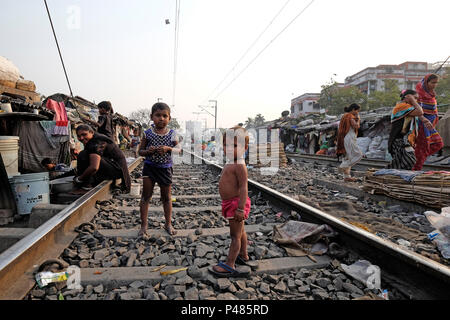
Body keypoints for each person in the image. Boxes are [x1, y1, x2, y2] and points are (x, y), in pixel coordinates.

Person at [210, 126, 251, 277]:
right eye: (226, 145)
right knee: (241, 231)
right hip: (231, 203)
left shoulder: (240, 165)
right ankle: (243, 255)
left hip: (236, 204)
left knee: (235, 236)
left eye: (234, 146)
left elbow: (243, 188)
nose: (229, 149)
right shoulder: (231, 161)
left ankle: (230, 264)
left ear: (245, 147)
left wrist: (240, 209)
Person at [138, 103, 180, 237]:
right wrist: (147, 151)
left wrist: (169, 149)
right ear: (151, 117)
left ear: (169, 118)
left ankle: (168, 223)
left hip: (165, 169)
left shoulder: (173, 134)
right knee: (146, 196)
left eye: (164, 116)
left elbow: (179, 150)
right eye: (158, 115)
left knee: (166, 198)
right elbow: (140, 152)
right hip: (149, 168)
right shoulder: (147, 133)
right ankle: (144, 225)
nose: (161, 118)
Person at [73, 124, 131, 193]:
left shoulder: (97, 142)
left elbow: (94, 167)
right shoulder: (93, 139)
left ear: (91, 132)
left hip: (117, 170)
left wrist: (79, 179)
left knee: (83, 155)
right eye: (79, 136)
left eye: (84, 134)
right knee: (84, 154)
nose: (81, 138)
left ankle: (87, 186)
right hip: (113, 166)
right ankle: (88, 183)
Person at [412, 74, 444, 170]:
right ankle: (415, 170)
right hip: (422, 125)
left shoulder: (431, 94)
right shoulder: (419, 94)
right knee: (422, 148)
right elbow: (417, 110)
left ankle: (417, 158)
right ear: (426, 82)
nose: (434, 85)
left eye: (436, 83)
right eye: (432, 82)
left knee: (438, 144)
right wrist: (424, 120)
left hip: (430, 125)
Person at [387, 90, 424, 170]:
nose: (416, 101)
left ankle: (391, 178)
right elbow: (420, 112)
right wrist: (413, 101)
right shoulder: (401, 107)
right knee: (409, 160)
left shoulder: (407, 108)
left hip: (404, 141)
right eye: (415, 98)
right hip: (399, 140)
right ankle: (385, 175)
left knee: (400, 163)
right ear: (407, 97)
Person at [336, 103, 363, 182]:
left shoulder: (344, 116)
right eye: (357, 111)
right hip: (349, 137)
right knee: (358, 155)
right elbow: (356, 126)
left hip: (344, 137)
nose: (357, 112)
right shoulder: (350, 116)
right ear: (353, 109)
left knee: (347, 157)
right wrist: (358, 119)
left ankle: (346, 176)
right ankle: (343, 166)